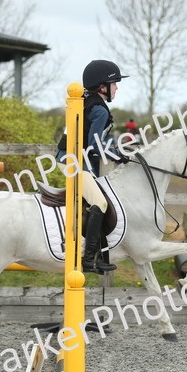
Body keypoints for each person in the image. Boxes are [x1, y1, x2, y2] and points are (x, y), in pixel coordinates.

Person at [56, 59, 129, 273]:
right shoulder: (100, 110)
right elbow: (95, 145)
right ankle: (88, 259)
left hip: (72, 159)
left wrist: (114, 151)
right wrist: (117, 156)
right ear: (102, 86)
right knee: (100, 202)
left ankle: (100, 255)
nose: (117, 88)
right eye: (114, 83)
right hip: (73, 162)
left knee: (101, 199)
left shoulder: (87, 100)